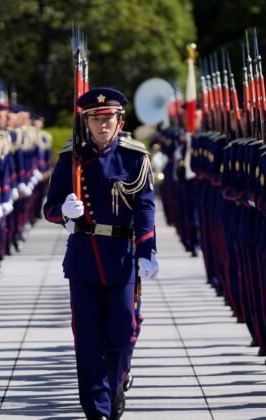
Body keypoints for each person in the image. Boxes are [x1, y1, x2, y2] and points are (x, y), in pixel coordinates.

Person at [43, 87, 158, 420]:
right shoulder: (71, 158)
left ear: (120, 121)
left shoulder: (134, 157)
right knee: (88, 341)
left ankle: (115, 383)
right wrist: (65, 212)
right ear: (86, 121)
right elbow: (49, 209)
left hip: (121, 256)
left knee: (123, 333)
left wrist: (148, 250)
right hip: (83, 258)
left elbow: (145, 208)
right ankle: (98, 410)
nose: (102, 125)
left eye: (108, 118)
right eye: (96, 119)